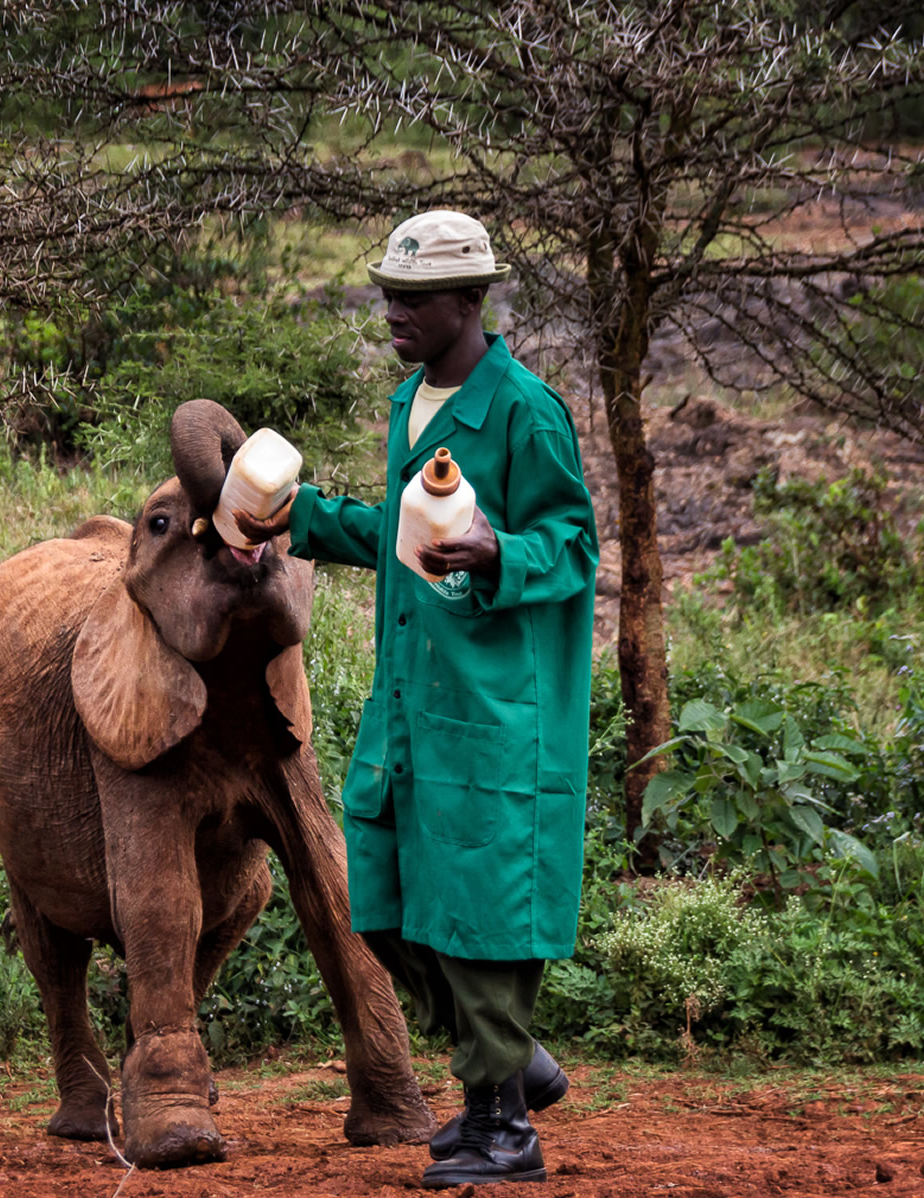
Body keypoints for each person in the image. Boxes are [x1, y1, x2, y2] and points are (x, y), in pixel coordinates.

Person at [235, 209, 597, 1190]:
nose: (392, 312)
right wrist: (291, 522)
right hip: (410, 704)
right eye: (387, 294)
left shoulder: (525, 412)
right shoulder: (412, 402)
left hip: (493, 710)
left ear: (470, 300)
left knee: (480, 910)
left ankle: (502, 1127)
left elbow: (574, 547)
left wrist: (498, 550)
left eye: (413, 298)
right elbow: (397, 530)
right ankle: (505, 1064)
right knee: (388, 896)